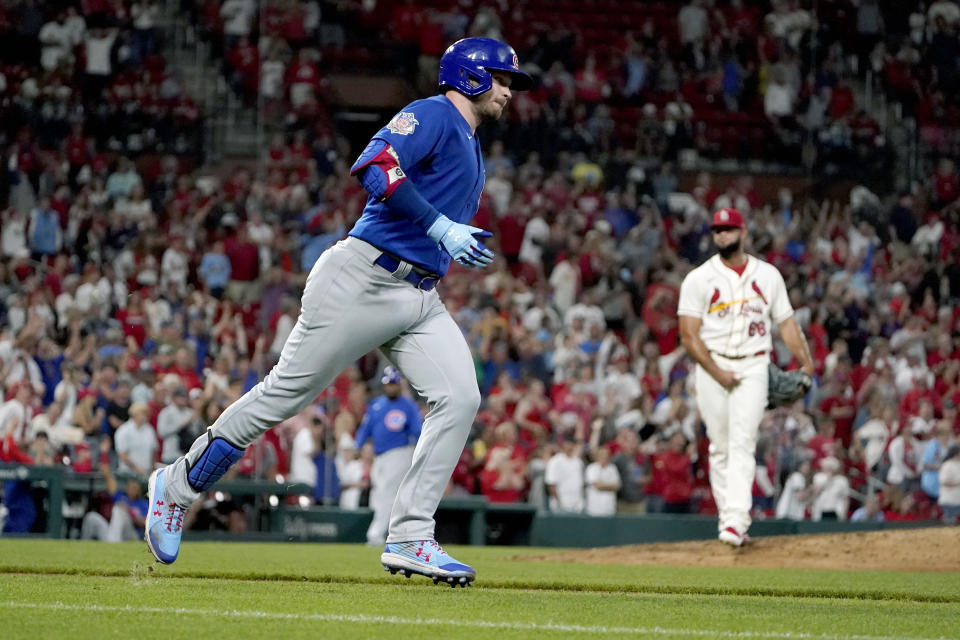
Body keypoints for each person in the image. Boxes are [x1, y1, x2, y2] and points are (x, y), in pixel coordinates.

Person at [145, 37, 531, 586]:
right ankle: (178, 486)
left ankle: (410, 536)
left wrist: (438, 233)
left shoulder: (468, 140)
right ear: (470, 76)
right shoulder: (434, 114)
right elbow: (372, 163)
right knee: (283, 397)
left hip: (419, 295)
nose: (509, 90)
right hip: (364, 277)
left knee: (461, 395)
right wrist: (439, 225)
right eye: (502, 78)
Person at [677, 207, 815, 547]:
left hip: (754, 364)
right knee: (720, 446)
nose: (723, 234)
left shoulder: (767, 275)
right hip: (712, 364)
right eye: (718, 229)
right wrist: (716, 371)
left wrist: (806, 362)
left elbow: (786, 324)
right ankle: (729, 519)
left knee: (742, 440)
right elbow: (688, 336)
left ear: (743, 232)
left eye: (729, 228)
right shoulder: (698, 278)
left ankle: (736, 519)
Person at [355, 366, 423, 546]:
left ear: (399, 384)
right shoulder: (377, 404)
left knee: (386, 493)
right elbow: (365, 429)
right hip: (379, 456)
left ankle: (375, 535)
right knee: (380, 495)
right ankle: (395, 534)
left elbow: (418, 431)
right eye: (388, 384)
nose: (391, 387)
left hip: (399, 453)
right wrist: (358, 446)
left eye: (394, 384)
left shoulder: (408, 406)